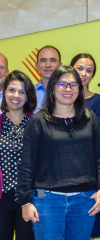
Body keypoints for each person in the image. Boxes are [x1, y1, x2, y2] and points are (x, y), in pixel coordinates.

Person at [15, 66, 100, 240]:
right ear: (52, 87)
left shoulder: (90, 118)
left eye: (73, 85)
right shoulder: (38, 121)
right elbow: (27, 163)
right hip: (47, 202)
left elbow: (99, 155)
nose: (68, 89)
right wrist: (26, 201)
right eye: (62, 84)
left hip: (85, 200)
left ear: (80, 89)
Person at [70, 54, 100, 239]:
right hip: (59, 178)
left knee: (87, 231)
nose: (84, 73)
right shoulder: (58, 99)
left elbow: (97, 140)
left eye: (89, 70)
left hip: (88, 176)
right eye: (80, 68)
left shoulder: (98, 101)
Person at [0, 70, 37, 240]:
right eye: (11, 90)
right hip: (2, 198)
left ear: (28, 96)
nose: (16, 95)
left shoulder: (37, 124)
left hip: (29, 200)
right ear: (4, 92)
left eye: (22, 92)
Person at [35, 45, 62, 112]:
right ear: (37, 66)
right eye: (43, 60)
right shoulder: (28, 93)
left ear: (60, 66)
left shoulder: (68, 92)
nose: (48, 65)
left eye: (52, 60)